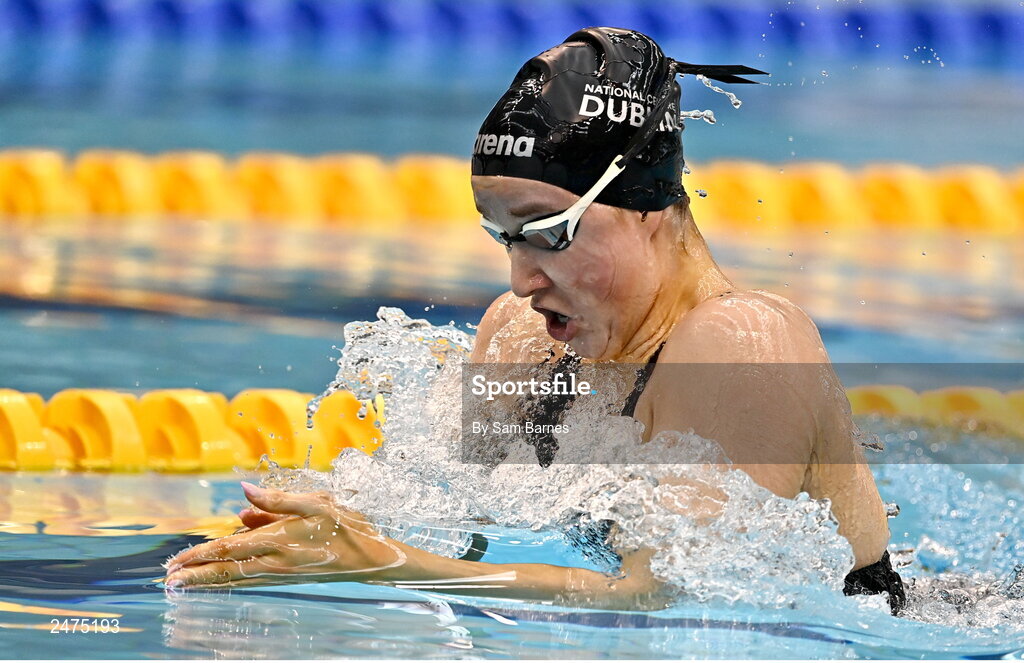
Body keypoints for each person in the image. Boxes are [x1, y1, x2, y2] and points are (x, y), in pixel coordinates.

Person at [164, 27, 906, 615]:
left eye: (548, 232)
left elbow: (665, 598)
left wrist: (383, 563)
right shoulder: (520, 342)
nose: (521, 280)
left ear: (644, 205)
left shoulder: (743, 346)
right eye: (503, 236)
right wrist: (319, 534)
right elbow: (458, 525)